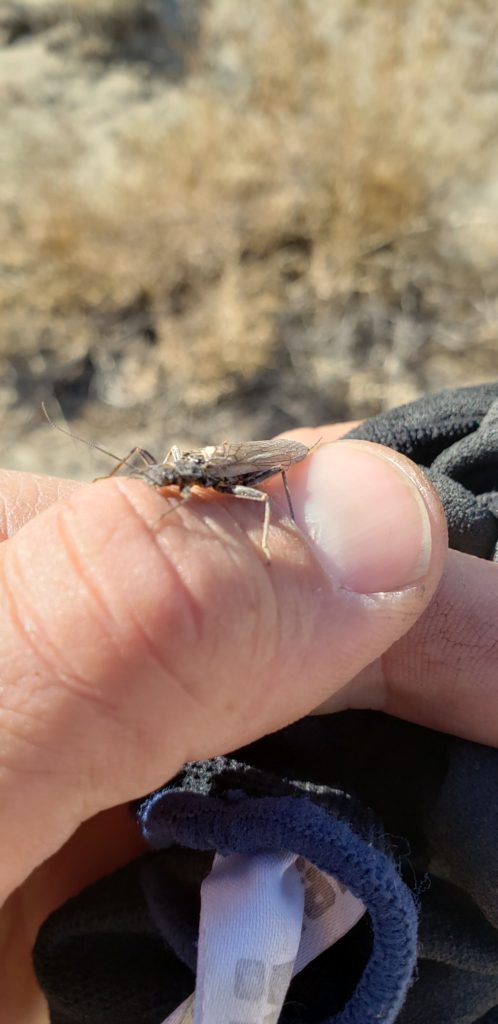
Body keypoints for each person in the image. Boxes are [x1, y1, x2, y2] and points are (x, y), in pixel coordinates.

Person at [0, 423, 496, 1022]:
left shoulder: (216, 480)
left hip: (261, 472)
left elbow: (263, 480)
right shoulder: (177, 476)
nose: (162, 484)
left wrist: (273, 551)